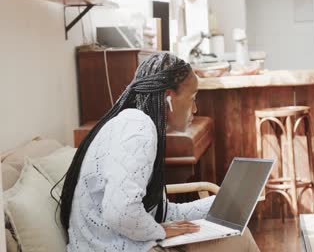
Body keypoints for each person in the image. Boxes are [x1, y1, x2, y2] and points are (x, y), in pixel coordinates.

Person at [55, 53, 259, 251]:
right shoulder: (138, 129)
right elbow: (120, 213)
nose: (195, 109)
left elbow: (161, 212)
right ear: (169, 98)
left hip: (123, 244)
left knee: (236, 234)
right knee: (240, 238)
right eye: (193, 98)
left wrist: (223, 203)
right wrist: (159, 231)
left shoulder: (132, 123)